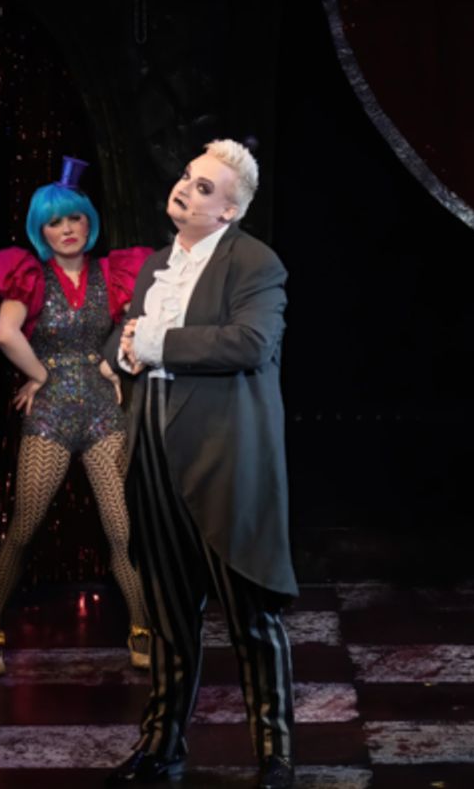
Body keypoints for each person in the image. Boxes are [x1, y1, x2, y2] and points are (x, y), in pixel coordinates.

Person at [103, 139, 296, 789]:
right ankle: (160, 747)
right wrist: (127, 348)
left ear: (230, 210)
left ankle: (274, 756)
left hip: (222, 464)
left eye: (206, 187)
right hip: (153, 457)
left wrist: (155, 342)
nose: (188, 188)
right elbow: (124, 334)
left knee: (249, 618)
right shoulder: (157, 263)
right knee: (167, 615)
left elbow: (250, 341)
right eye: (188, 177)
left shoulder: (254, 263)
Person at [0, 157, 152, 677]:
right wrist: (42, 375)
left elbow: (141, 318)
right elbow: (6, 334)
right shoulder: (28, 276)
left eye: (74, 219)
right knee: (25, 527)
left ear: (88, 222)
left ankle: (140, 625)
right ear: (41, 230)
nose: (66, 229)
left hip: (102, 411)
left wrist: (115, 357)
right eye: (55, 222)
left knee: (122, 530)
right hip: (51, 416)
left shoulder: (112, 272)